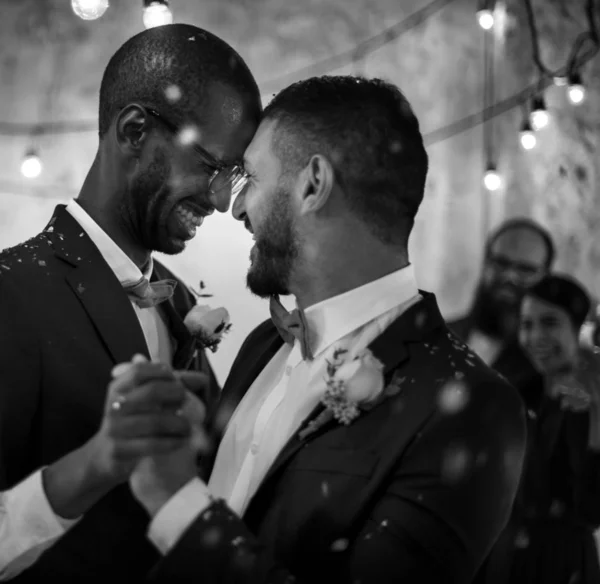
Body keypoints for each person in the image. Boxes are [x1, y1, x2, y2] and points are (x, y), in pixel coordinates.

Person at [114, 76, 527, 583]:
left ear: (313, 184)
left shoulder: (474, 407)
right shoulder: (263, 346)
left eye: (252, 180)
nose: (236, 208)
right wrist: (186, 448)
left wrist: (178, 504)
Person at [0, 24, 261, 583]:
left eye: (232, 177)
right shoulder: (10, 292)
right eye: (213, 167)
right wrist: (88, 467)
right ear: (135, 130)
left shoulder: (181, 299)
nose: (220, 201)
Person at [479, 274, 600, 584]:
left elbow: (592, 508)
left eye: (550, 323)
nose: (535, 337)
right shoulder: (523, 390)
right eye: (527, 324)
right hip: (506, 554)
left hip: (560, 565)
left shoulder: (589, 404)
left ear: (579, 329)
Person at [448, 219, 555, 410]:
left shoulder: (550, 366)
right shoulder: (439, 335)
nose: (509, 276)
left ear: (545, 277)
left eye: (525, 269)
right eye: (500, 263)